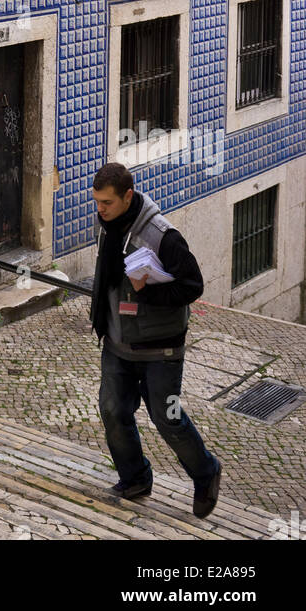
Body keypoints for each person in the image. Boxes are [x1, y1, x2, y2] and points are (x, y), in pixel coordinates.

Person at [89, 161, 222, 518]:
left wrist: (145, 292)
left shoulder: (164, 236)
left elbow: (193, 286)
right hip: (118, 343)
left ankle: (207, 472)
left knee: (168, 418)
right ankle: (135, 477)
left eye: (107, 203)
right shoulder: (107, 227)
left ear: (128, 197)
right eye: (97, 202)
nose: (100, 209)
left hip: (162, 348)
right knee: (113, 410)